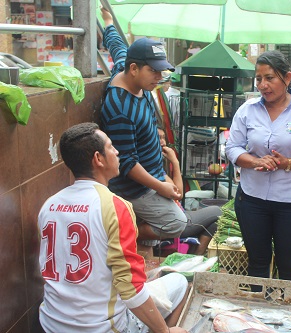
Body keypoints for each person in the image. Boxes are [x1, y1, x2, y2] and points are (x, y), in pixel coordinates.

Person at [38, 123, 188, 333]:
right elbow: (130, 287)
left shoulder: (49, 205)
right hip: (101, 328)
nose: (117, 152)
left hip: (51, 323)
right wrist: (165, 331)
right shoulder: (115, 206)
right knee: (180, 282)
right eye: (111, 147)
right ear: (98, 159)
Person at [225, 50, 291, 282]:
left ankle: (287, 316)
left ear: (287, 78)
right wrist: (254, 161)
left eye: (269, 78)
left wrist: (288, 163)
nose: (263, 85)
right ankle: (256, 316)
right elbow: (232, 148)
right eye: (259, 78)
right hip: (252, 200)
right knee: (257, 264)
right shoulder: (247, 110)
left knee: (288, 266)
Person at [99, 8, 187, 257]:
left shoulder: (125, 68)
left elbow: (116, 44)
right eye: (154, 71)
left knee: (145, 252)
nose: (159, 78)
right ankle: (122, 229)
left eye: (161, 71)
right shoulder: (119, 109)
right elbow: (126, 163)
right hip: (135, 188)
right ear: (135, 69)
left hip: (154, 172)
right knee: (177, 223)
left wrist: (108, 21)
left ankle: (140, 252)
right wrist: (160, 186)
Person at [157, 128, 221, 255]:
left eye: (164, 137)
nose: (163, 142)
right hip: (175, 221)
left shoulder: (158, 168)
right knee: (219, 211)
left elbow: (176, 190)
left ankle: (195, 257)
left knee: (215, 223)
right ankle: (195, 258)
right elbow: (179, 193)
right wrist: (175, 162)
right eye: (158, 137)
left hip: (177, 215)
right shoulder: (152, 168)